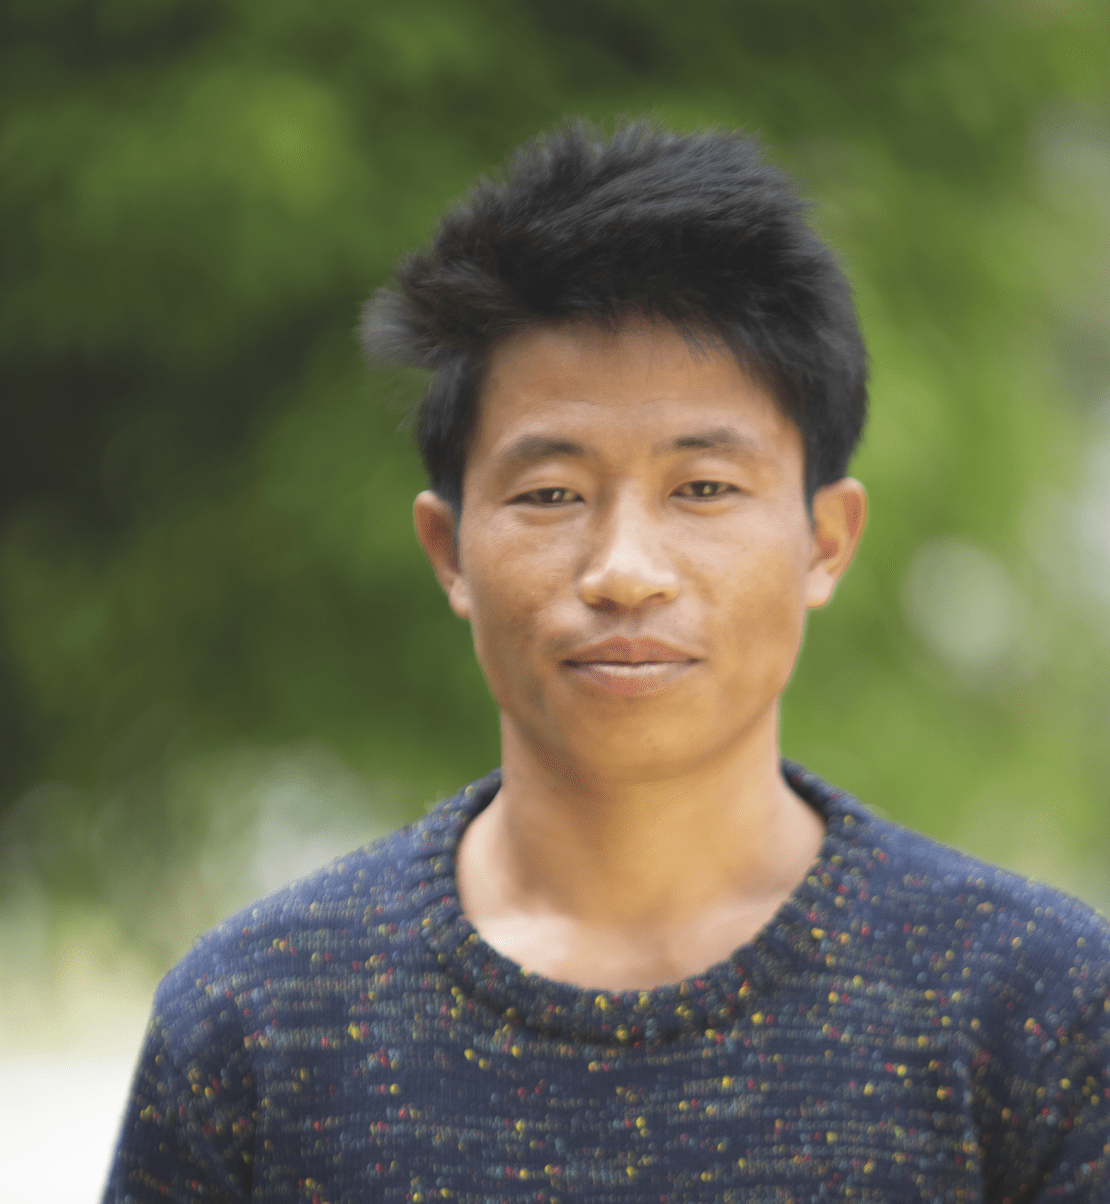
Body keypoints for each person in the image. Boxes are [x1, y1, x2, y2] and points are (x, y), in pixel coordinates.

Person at [104, 119, 1110, 1203]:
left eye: (704, 489)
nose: (626, 570)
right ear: (449, 551)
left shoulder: (1036, 1004)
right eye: (550, 495)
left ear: (825, 541)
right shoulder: (259, 1019)